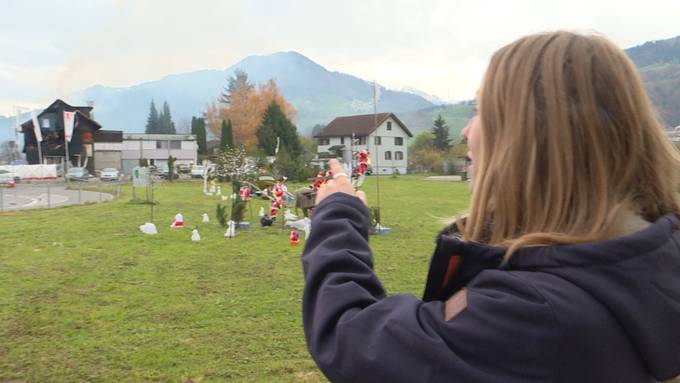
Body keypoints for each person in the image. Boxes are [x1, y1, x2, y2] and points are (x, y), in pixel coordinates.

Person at [301, 31, 680, 383]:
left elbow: (354, 341)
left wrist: (337, 213)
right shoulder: (648, 259)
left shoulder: (536, 314)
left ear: (531, 136)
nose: (466, 131)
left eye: (481, 110)